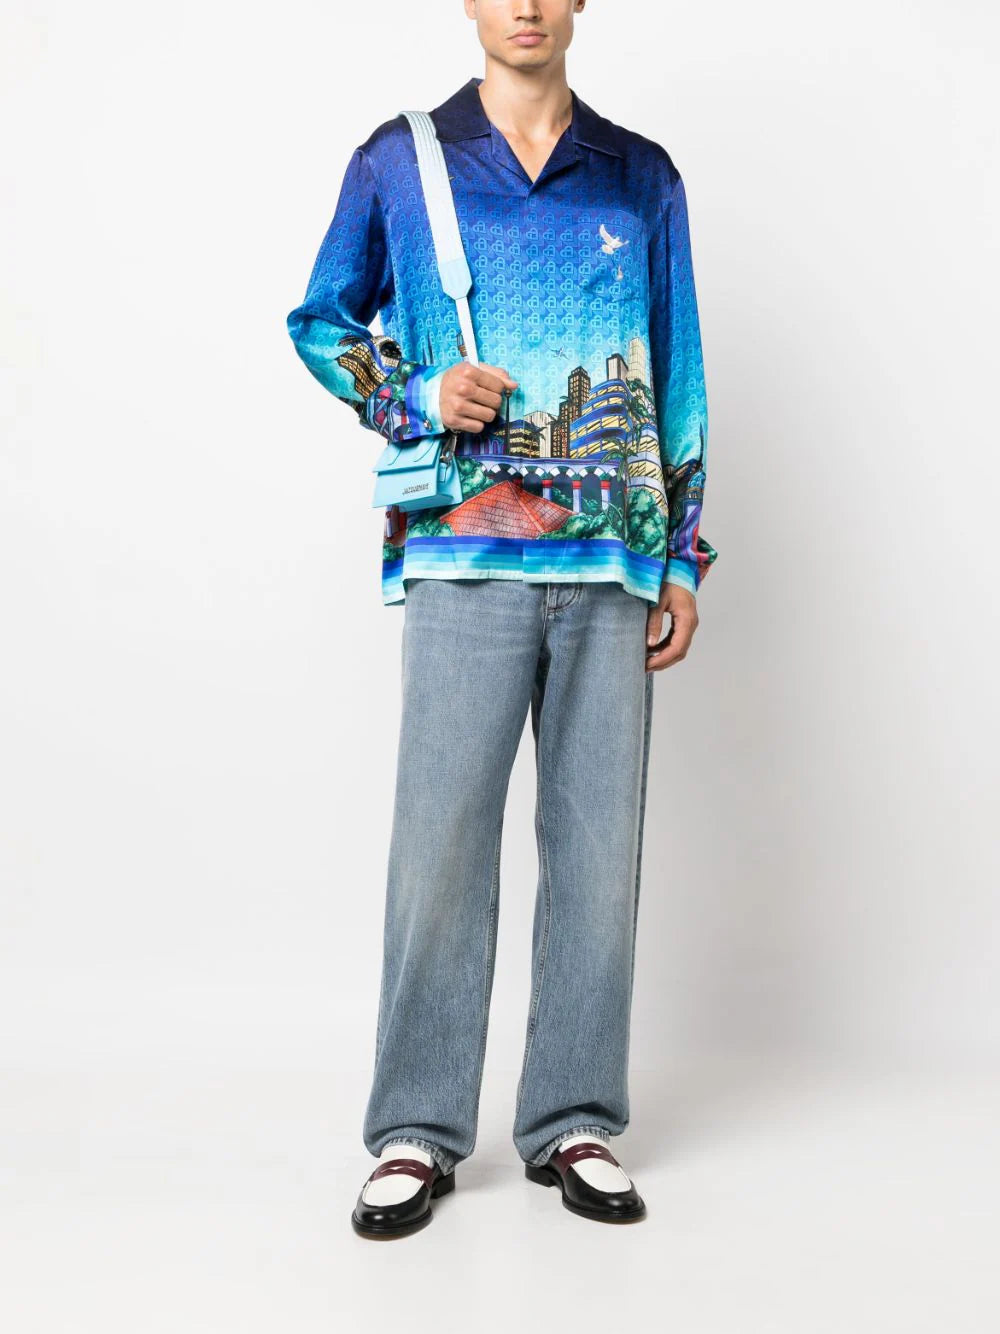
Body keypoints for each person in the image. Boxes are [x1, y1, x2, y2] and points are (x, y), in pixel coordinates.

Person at [285, 0, 717, 1239]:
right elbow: (320, 320)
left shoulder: (641, 176)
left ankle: (574, 1116)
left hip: (612, 564)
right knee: (440, 845)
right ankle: (415, 1129)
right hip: (461, 555)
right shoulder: (400, 160)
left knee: (597, 854)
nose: (525, 4)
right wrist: (417, 393)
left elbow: (679, 368)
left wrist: (683, 555)